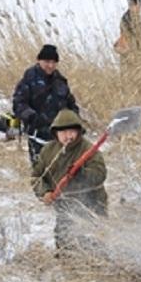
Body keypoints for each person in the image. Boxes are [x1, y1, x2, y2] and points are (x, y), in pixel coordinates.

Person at [31, 109, 108, 256]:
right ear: (55, 133)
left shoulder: (89, 150)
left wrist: (82, 174)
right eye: (63, 132)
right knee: (64, 242)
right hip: (64, 204)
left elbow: (100, 175)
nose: (68, 136)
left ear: (79, 132)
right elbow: (36, 177)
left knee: (93, 245)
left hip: (92, 204)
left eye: (72, 131)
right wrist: (45, 192)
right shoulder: (48, 151)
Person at [11, 44, 79, 166]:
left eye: (54, 62)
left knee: (63, 170)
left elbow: (71, 103)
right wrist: (32, 117)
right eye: (47, 61)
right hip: (37, 135)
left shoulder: (60, 81)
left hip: (60, 135)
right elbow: (18, 103)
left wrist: (75, 122)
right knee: (41, 172)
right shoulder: (29, 79)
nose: (50, 65)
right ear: (39, 60)